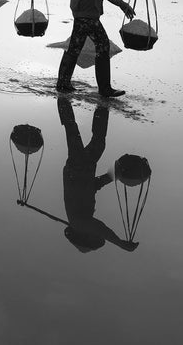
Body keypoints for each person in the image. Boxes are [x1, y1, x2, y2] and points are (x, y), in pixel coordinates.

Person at [58, 98, 139, 253]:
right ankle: (102, 108)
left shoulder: (78, 224)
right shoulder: (82, 215)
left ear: (85, 236)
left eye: (92, 236)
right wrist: (113, 174)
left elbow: (101, 229)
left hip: (77, 169)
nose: (95, 234)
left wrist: (120, 243)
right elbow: (93, 187)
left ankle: (63, 100)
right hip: (85, 170)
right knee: (97, 142)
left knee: (72, 129)